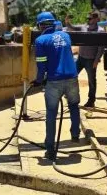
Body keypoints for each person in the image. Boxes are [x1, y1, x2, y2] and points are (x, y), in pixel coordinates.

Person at [32, 11, 80, 161]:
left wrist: (39, 80)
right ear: (53, 23)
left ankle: (51, 149)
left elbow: (42, 66)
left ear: (40, 25)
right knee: (73, 105)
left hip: (54, 81)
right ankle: (75, 133)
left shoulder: (40, 41)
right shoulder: (66, 36)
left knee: (51, 114)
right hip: (72, 77)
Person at [65, 12, 105, 108]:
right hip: (81, 58)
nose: (88, 20)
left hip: (91, 60)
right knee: (71, 75)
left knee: (91, 81)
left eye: (90, 19)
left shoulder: (100, 31)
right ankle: (69, 95)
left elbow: (101, 47)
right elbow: (72, 28)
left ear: (96, 19)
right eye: (88, 18)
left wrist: (96, 60)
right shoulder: (84, 27)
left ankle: (91, 101)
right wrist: (67, 21)